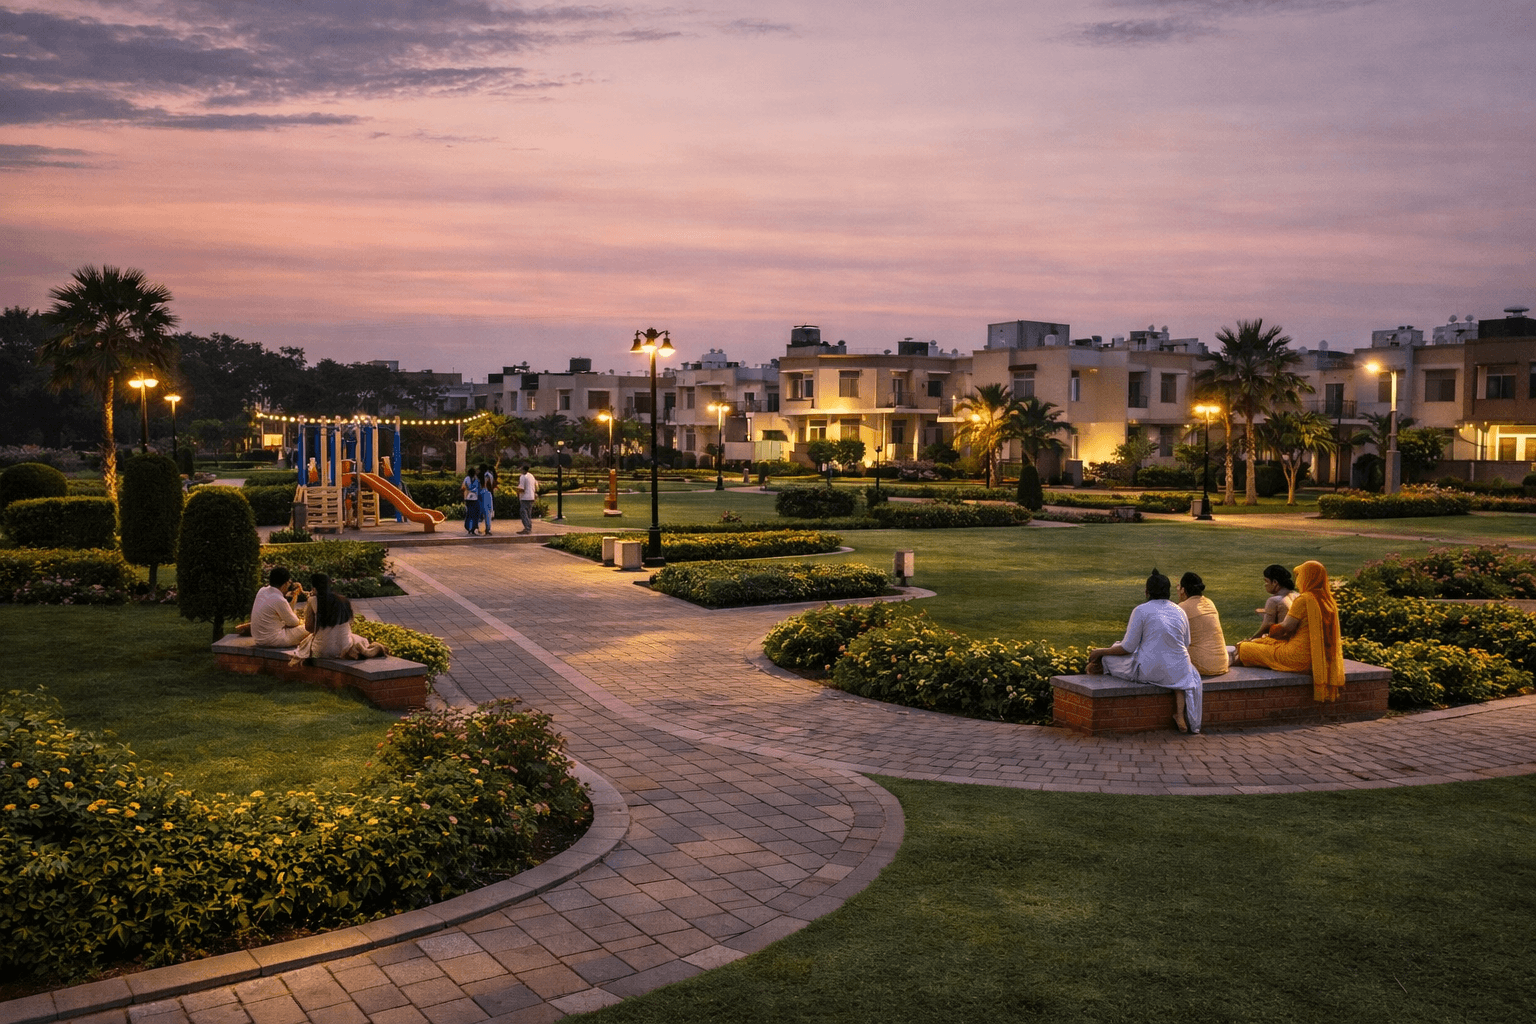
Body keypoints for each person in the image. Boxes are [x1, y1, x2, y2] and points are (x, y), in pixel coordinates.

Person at [1087, 569, 1204, 733]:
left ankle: (1096, 668)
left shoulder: (1141, 610)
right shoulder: (1180, 611)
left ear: (1147, 592)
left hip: (1150, 671)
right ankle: (1179, 715)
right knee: (1175, 674)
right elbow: (1186, 643)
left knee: (1108, 659)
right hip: (1180, 670)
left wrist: (1100, 652)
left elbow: (1127, 647)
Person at [1234, 560, 1345, 702]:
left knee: (1245, 647)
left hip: (1298, 657)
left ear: (1307, 577)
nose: (1298, 581)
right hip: (1319, 657)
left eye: (1300, 576)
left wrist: (1270, 631)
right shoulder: (1329, 600)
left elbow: (1286, 627)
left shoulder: (1305, 599)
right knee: (1263, 644)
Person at [290, 573, 388, 662]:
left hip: (320, 651)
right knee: (358, 639)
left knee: (306, 643)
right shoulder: (343, 600)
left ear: (314, 587)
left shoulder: (312, 600)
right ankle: (364, 651)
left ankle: (360, 651)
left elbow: (309, 628)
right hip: (343, 648)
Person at [237, 566, 309, 647]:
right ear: (285, 583)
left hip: (259, 639)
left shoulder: (262, 591)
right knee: (308, 628)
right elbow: (294, 622)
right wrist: (294, 599)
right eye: (289, 582)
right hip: (273, 640)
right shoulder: (279, 599)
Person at [1178, 572, 1229, 677]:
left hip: (1203, 665)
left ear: (1183, 590)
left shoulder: (1182, 607)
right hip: (1222, 663)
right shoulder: (1210, 602)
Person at [1249, 563, 1298, 641]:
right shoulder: (1297, 595)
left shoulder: (1273, 600)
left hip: (1282, 642)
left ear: (1275, 582)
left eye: (1266, 581)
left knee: (1243, 646)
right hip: (1297, 639)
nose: (1265, 585)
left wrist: (1251, 639)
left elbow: (1266, 626)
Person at [462, 465, 483, 535]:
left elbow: (464, 487)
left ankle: (468, 528)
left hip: (468, 498)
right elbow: (479, 488)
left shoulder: (466, 479)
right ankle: (473, 528)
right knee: (475, 514)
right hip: (475, 498)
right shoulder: (476, 479)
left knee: (469, 514)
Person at [517, 464, 537, 534]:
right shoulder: (531, 476)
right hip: (531, 496)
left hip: (525, 497)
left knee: (523, 513)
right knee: (528, 514)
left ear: (523, 469)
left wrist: (517, 492)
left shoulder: (522, 477)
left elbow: (522, 489)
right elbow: (536, 485)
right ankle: (529, 527)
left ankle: (527, 528)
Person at [480, 463, 498, 535]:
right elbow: (491, 485)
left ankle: (476, 528)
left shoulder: (482, 475)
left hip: (481, 493)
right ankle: (488, 529)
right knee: (488, 513)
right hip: (488, 493)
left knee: (480, 512)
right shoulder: (489, 475)